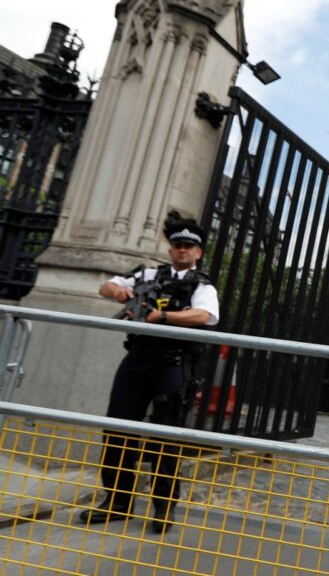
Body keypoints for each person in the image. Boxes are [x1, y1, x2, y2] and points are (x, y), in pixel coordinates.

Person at [77, 215, 219, 534]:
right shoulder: (147, 274)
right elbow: (106, 285)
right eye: (177, 245)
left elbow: (205, 315)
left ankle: (163, 507)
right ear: (170, 249)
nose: (182, 250)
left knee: (165, 436)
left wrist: (163, 316)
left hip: (173, 362)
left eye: (189, 246)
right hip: (138, 359)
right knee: (117, 427)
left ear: (198, 252)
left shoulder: (202, 284)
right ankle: (118, 501)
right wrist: (117, 293)